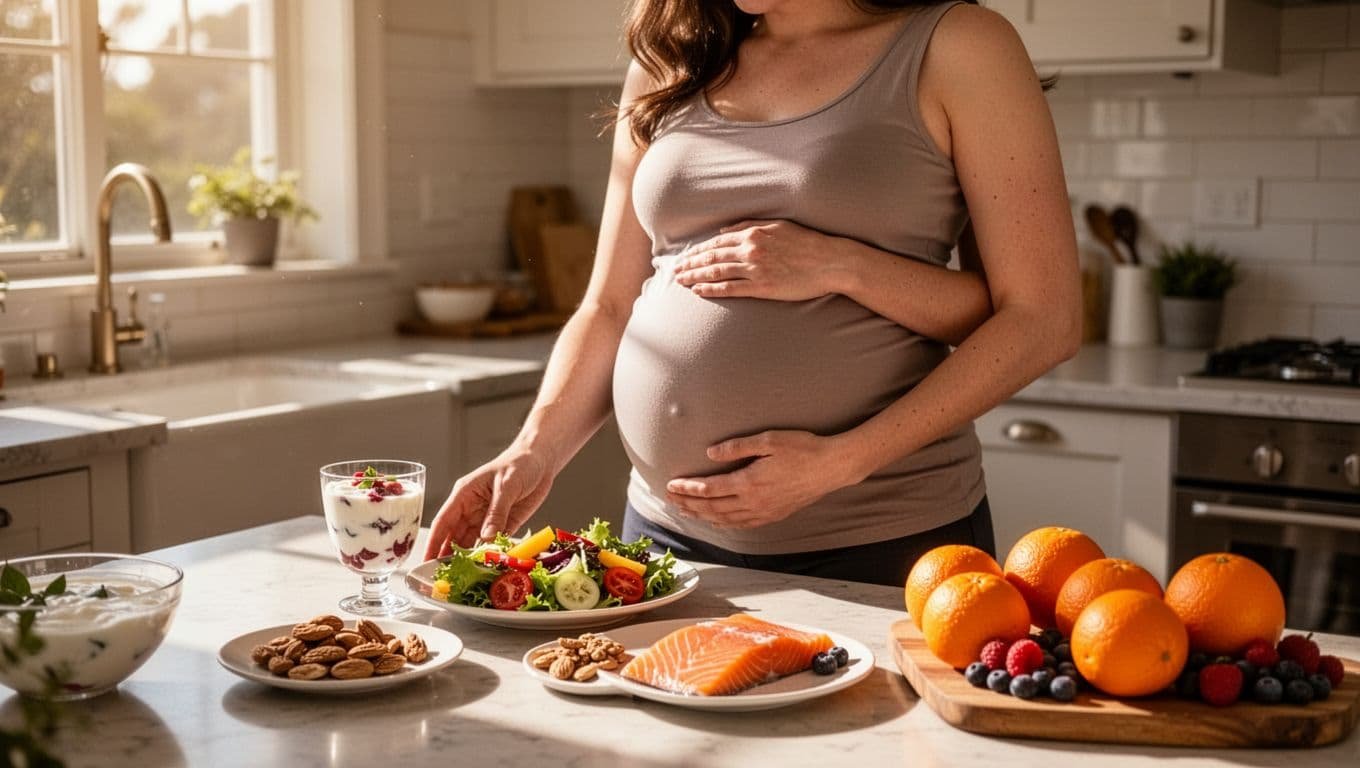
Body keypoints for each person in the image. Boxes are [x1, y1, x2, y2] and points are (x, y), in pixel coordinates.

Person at [424, 0, 1080, 587]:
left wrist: (843, 457)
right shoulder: (672, 60)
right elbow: (611, 307)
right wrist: (535, 449)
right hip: (664, 538)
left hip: (879, 538)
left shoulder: (958, 45)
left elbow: (1042, 317)